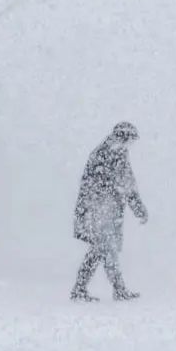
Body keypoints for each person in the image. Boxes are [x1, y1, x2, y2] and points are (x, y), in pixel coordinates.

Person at [71, 121, 149, 302]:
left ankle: (81, 288)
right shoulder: (110, 154)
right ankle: (117, 289)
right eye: (130, 140)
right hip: (101, 212)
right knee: (106, 250)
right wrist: (137, 208)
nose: (130, 145)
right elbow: (125, 185)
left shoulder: (111, 152)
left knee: (100, 251)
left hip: (102, 212)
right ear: (123, 137)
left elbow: (125, 184)